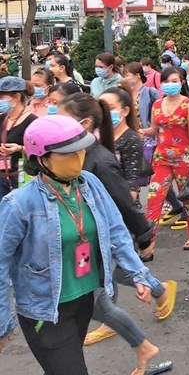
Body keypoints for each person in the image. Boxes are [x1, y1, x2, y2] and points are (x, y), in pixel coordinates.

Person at [0, 116, 162, 375]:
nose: (78, 158)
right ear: (41, 159)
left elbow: (117, 231)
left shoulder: (89, 183)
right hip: (45, 311)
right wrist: (2, 322)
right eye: (67, 153)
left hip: (86, 298)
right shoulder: (19, 204)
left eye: (80, 150)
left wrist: (139, 273)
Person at [139, 67, 189, 251]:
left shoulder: (188, 104)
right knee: (154, 198)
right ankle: (148, 242)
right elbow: (154, 129)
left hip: (184, 158)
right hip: (161, 158)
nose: (170, 84)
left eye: (174, 81)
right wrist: (142, 131)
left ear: (182, 82)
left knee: (188, 199)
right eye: (166, 81)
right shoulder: (157, 104)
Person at [99, 88, 143, 199]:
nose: (105, 112)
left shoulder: (131, 140)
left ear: (125, 111)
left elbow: (131, 180)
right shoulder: (95, 135)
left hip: (117, 200)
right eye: (101, 108)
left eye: (110, 108)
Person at [0, 76, 37, 198]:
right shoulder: (2, 118)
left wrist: (20, 148)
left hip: (21, 178)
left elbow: (40, 151)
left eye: (2, 97)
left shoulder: (33, 122)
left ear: (17, 97)